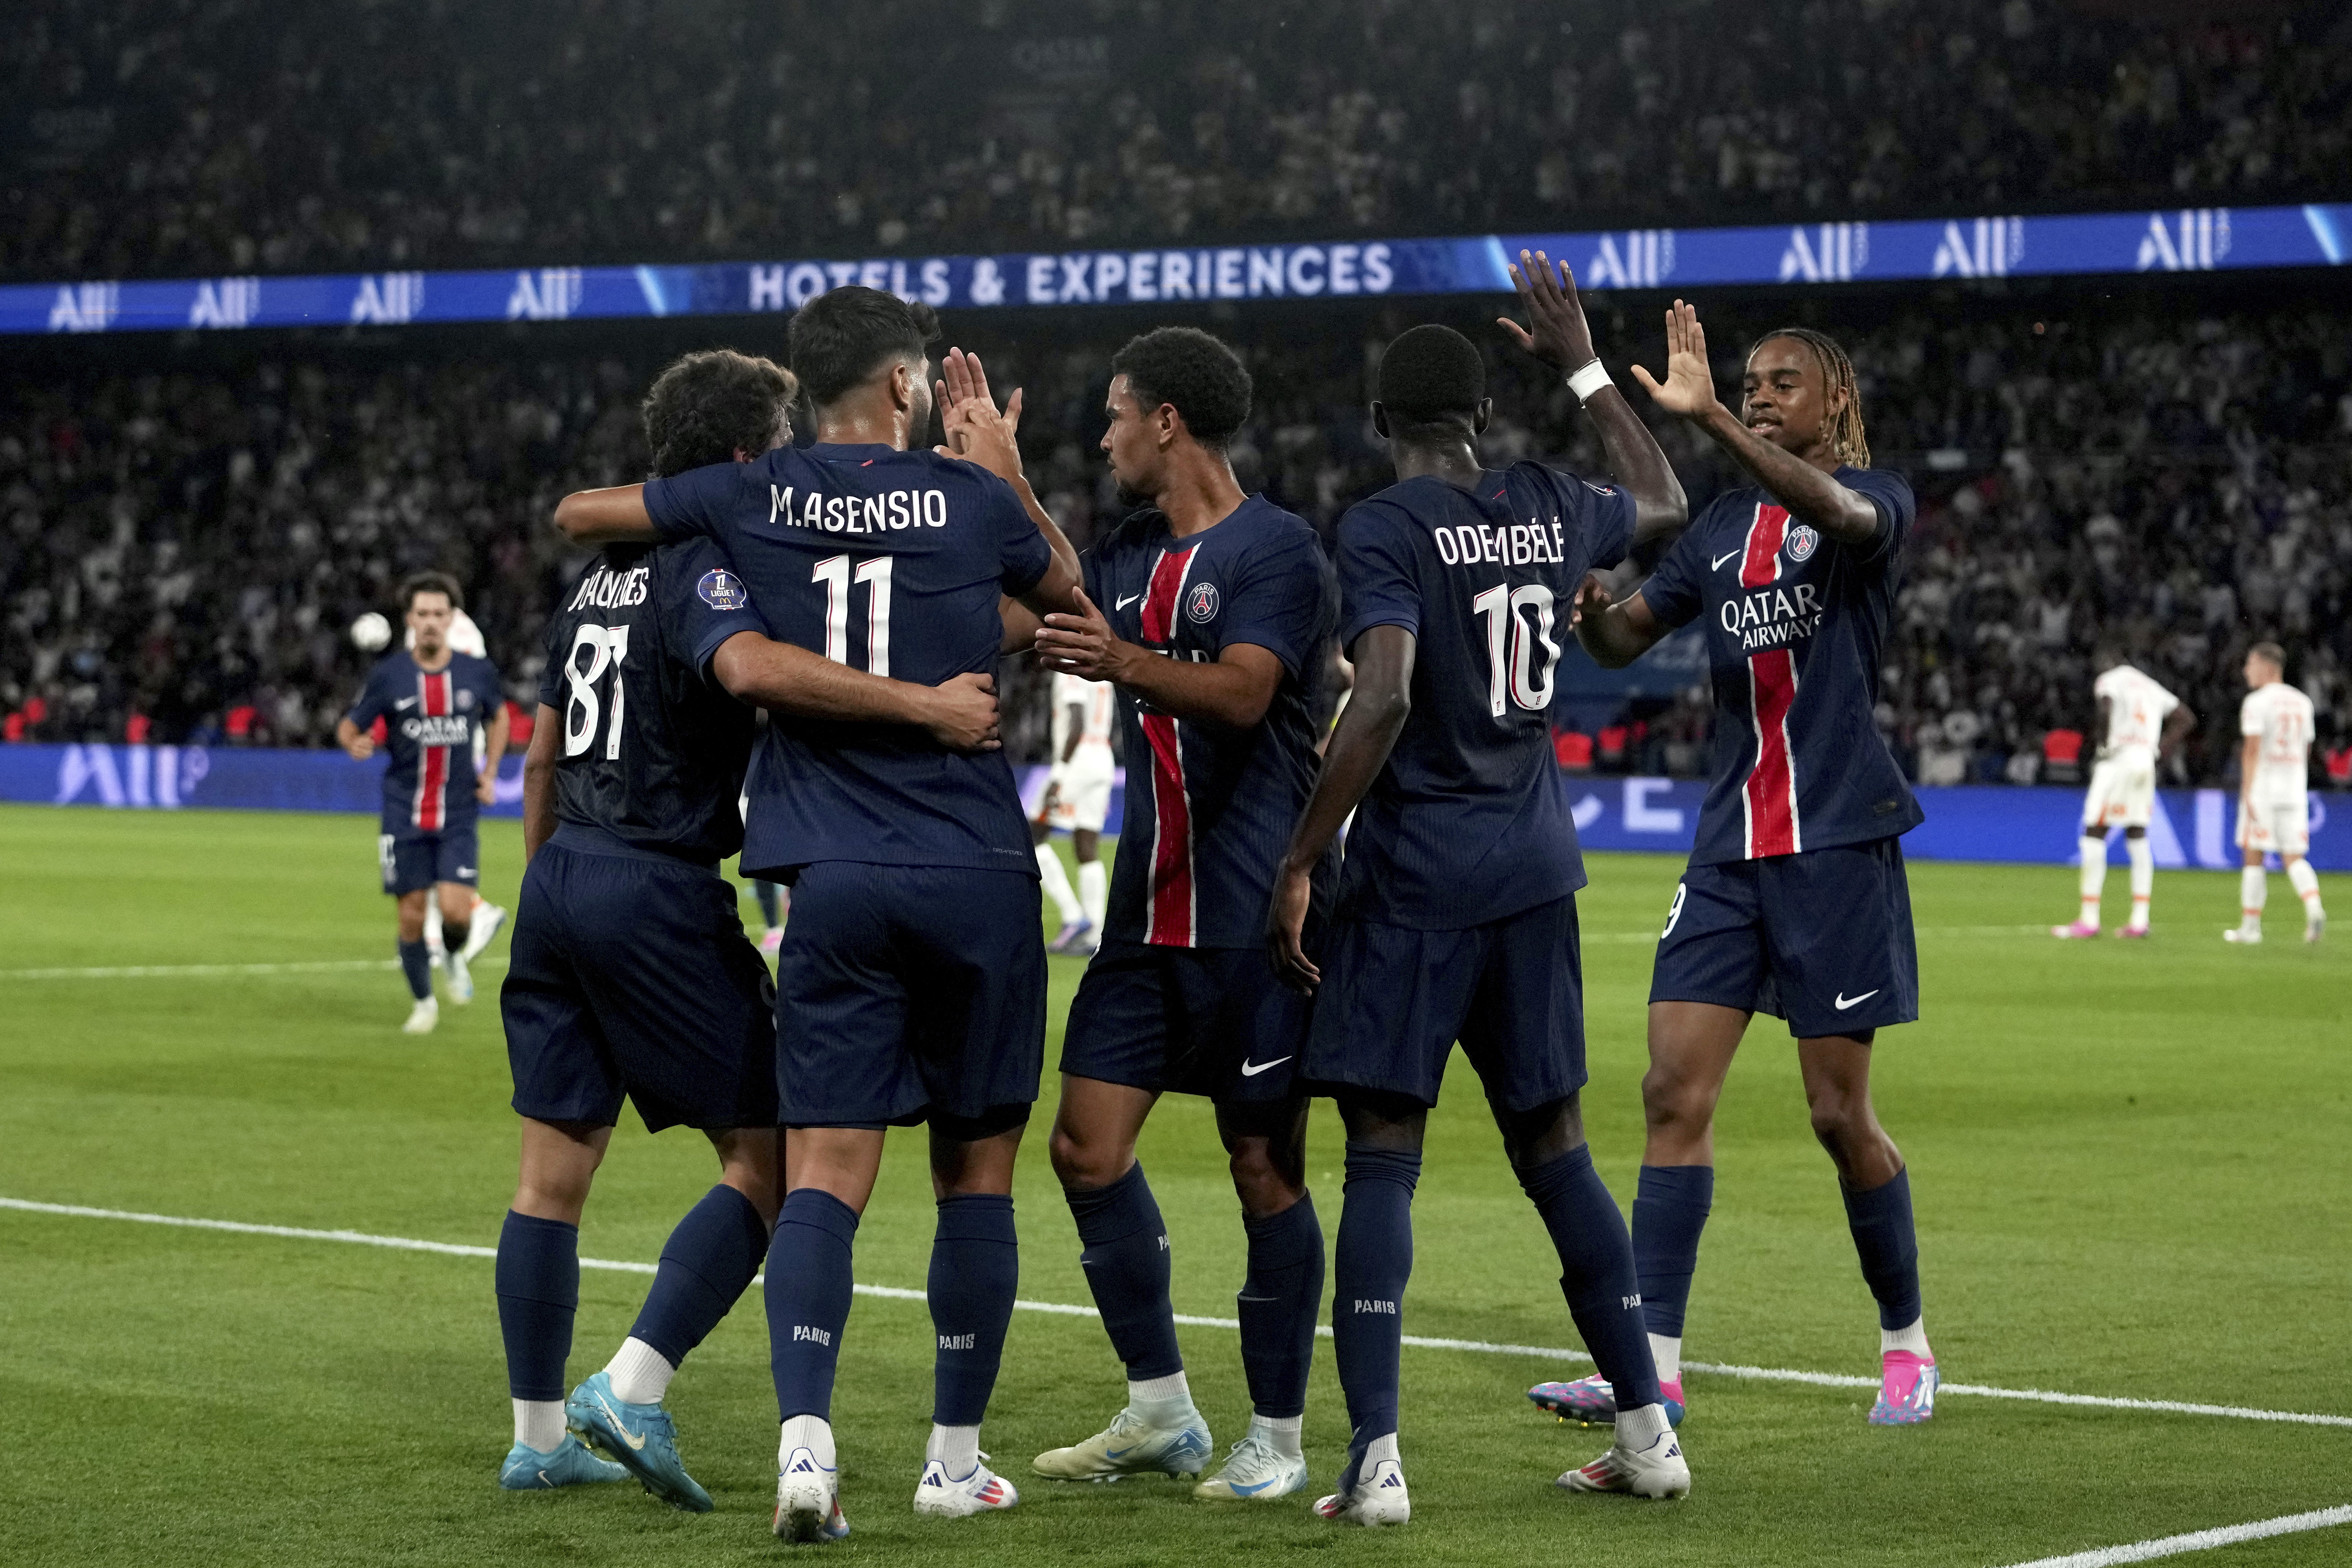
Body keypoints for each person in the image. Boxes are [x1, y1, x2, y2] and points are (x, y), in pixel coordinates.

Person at [552, 286, 1083, 1541]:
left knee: (824, 1178)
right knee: (978, 1176)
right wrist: (1002, 470)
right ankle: (952, 1461)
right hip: (974, 871)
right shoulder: (965, 501)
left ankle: (804, 1454)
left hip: (830, 881)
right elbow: (1067, 596)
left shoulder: (757, 492)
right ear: (905, 387)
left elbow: (587, 512)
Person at [1266, 255, 1693, 1524]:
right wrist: (1579, 361)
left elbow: (1384, 693)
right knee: (1555, 1148)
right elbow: (1662, 499)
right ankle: (1645, 1434)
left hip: (1414, 880)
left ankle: (1377, 1463)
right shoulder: (1548, 500)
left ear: (1379, 422)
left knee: (1382, 1162)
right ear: (1482, 418)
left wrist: (1298, 857)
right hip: (1531, 872)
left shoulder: (1383, 525)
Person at [1554, 305, 1939, 1432]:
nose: (1762, 389)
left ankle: (1906, 1337)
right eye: (1751, 379)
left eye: (1783, 381)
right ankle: (1653, 1364)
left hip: (1837, 840)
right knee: (1672, 1089)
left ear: (1835, 400)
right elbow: (1629, 636)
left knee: (1836, 1112)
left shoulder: (1879, 499)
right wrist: (1595, 616)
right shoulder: (1721, 525)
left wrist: (1712, 414)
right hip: (1730, 842)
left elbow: (1835, 506)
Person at [1021, 326, 1337, 1505]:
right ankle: (1159, 1408)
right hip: (1144, 924)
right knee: (1083, 1149)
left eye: (1113, 415)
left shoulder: (1277, 550)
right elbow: (1055, 591)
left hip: (1252, 921)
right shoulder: (1126, 552)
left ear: (1166, 421)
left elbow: (1247, 693)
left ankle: (1279, 1436)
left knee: (1262, 1166)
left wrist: (1122, 662)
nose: (1101, 437)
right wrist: (996, 475)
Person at [337, 573, 509, 1034]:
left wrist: (489, 773)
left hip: (457, 813)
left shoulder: (476, 673)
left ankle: (453, 956)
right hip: (403, 812)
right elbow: (350, 726)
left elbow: (500, 718)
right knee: (411, 912)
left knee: (456, 911)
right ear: (409, 619)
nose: (431, 622)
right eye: (423, 614)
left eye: (439, 613)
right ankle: (423, 1003)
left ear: (452, 618)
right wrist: (355, 743)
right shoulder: (389, 676)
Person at [2052, 646, 2193, 939]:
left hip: (2117, 761)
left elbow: (2105, 707)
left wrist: (2103, 746)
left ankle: (2089, 919)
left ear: (2106, 661)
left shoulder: (2109, 680)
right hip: (2144, 762)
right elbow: (2185, 718)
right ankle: (2139, 920)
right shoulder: (2149, 685)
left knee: (2094, 833)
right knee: (2137, 834)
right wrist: (2159, 750)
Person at [408, 605, 510, 970]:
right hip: (437, 742)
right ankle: (445, 926)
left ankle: (474, 913)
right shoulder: (444, 627)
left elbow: (464, 686)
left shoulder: (458, 633)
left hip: (450, 743)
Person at [2226, 641, 2325, 944]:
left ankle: (2250, 928)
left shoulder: (2256, 702)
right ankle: (2313, 906)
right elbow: (2306, 749)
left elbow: (2252, 749)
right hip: (2294, 789)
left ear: (2266, 667)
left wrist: (2247, 791)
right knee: (2293, 856)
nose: (2246, 670)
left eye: (2250, 664)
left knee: (2253, 855)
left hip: (2263, 789)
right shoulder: (2303, 702)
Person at [1033, 669, 1115, 955]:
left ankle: (1073, 916)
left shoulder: (1069, 663)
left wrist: (1058, 774)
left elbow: (1077, 722)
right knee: (1087, 846)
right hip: (1103, 757)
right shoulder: (1096, 662)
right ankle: (1095, 933)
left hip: (1078, 760)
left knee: (1031, 839)